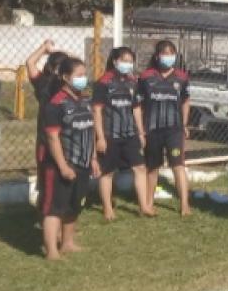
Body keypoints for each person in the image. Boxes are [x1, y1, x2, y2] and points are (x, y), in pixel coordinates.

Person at [38, 57, 97, 260]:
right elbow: (52, 138)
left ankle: (68, 243)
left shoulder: (85, 100)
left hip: (83, 164)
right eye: (79, 75)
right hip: (60, 166)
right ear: (65, 77)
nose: (84, 79)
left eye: (85, 74)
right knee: (55, 208)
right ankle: (52, 251)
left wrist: (93, 158)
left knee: (74, 205)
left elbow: (90, 131)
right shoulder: (56, 104)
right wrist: (63, 166)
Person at [92, 46, 152, 220]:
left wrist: (140, 133)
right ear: (115, 61)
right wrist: (100, 137)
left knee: (140, 167)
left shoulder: (133, 81)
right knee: (108, 172)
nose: (128, 64)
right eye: (124, 60)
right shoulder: (103, 82)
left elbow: (136, 108)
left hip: (130, 134)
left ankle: (144, 206)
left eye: (130, 61)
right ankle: (108, 209)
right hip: (110, 134)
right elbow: (96, 111)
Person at [139, 40, 192, 216]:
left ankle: (184, 205)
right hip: (152, 129)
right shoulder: (146, 77)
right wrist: (140, 129)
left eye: (171, 54)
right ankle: (148, 203)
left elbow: (186, 101)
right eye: (164, 53)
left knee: (178, 166)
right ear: (157, 56)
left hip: (174, 130)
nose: (168, 57)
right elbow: (138, 104)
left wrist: (184, 124)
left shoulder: (182, 77)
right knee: (152, 168)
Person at [25, 39, 67, 206]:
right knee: (46, 175)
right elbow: (30, 62)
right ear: (55, 68)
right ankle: (44, 210)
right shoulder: (43, 83)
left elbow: (78, 62)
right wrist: (44, 49)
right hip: (46, 138)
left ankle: (61, 208)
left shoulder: (69, 85)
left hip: (66, 137)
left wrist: (59, 52)